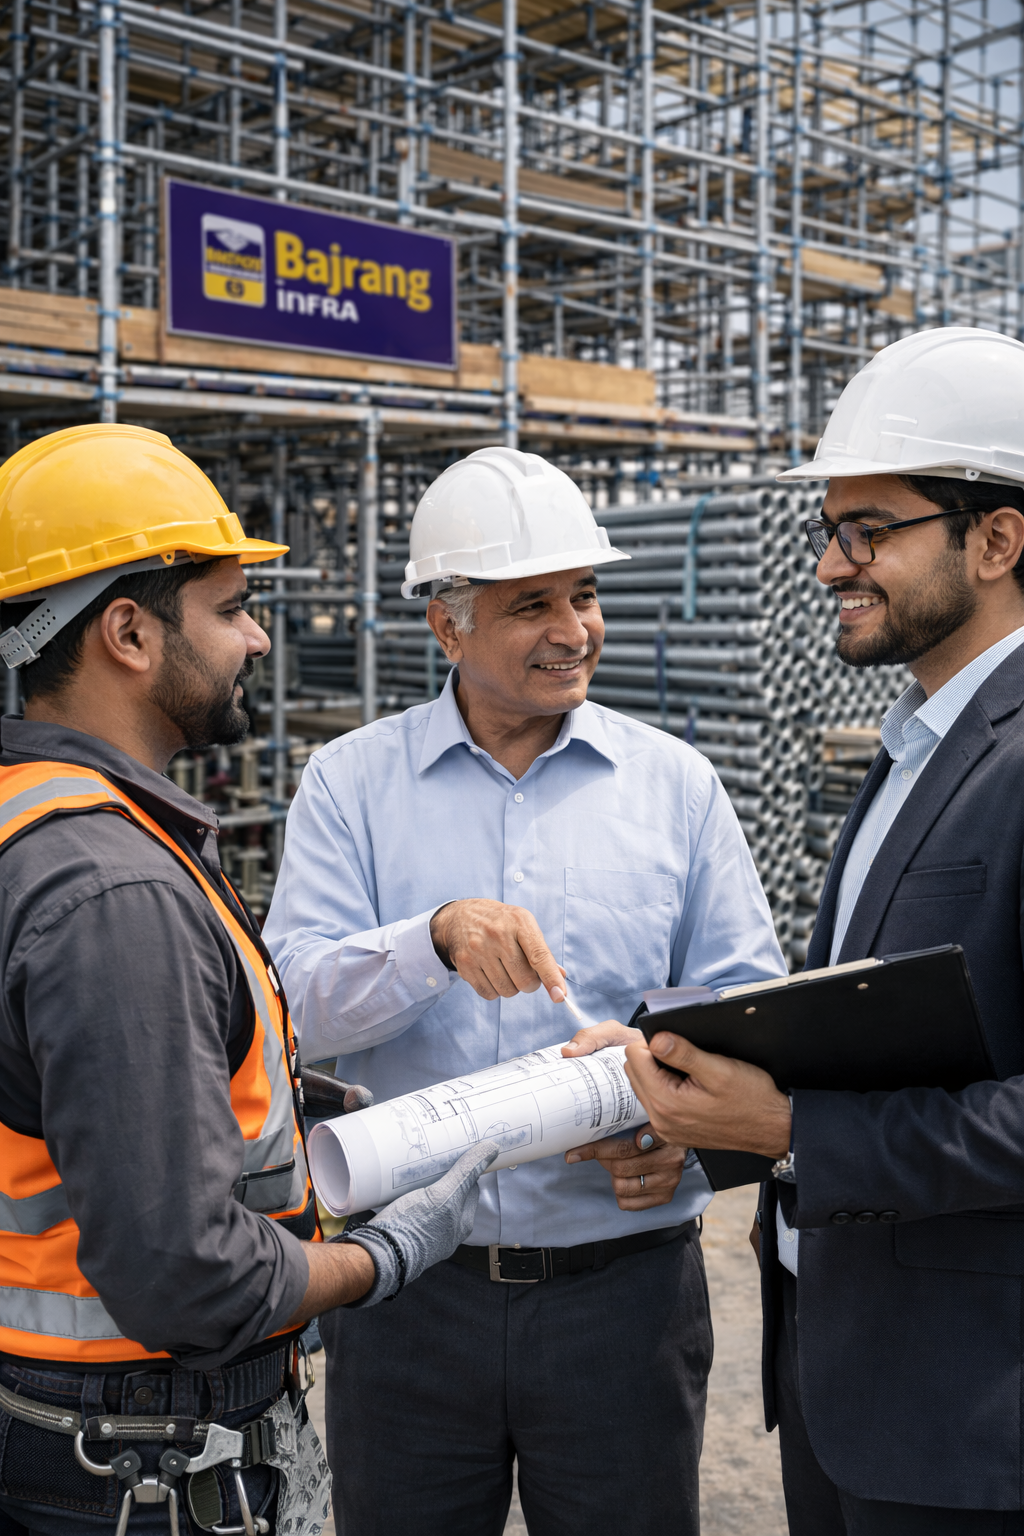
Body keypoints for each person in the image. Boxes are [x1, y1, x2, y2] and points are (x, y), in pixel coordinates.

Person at [263, 445, 788, 1536]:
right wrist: (433, 940)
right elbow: (290, 1009)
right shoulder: (351, 784)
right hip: (406, 1292)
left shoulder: (674, 788)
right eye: (531, 604)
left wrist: (682, 1133)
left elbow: (755, 1015)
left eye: (584, 595)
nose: (573, 629)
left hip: (622, 1299)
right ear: (445, 625)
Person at [0, 423, 497, 1536]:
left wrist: (278, 1096)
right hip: (132, 1457)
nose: (259, 638)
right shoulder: (112, 886)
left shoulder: (35, 826)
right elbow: (191, 1277)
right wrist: (382, 1257)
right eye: (228, 609)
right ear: (127, 632)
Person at [621, 326, 1024, 1534]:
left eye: (869, 532)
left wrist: (792, 1130)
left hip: (974, 1420)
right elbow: (891, 1040)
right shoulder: (917, 745)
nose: (829, 567)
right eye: (827, 532)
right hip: (850, 1387)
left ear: (996, 539)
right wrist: (697, 1101)